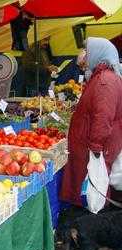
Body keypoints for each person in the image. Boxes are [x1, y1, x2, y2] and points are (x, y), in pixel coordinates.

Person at [60, 37, 122, 208]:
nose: (84, 55)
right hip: (91, 144)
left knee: (95, 187)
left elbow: (103, 117)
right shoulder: (101, 77)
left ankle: (94, 220)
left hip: (94, 147)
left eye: (87, 51)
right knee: (95, 185)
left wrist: (95, 147)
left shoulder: (104, 81)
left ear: (99, 53)